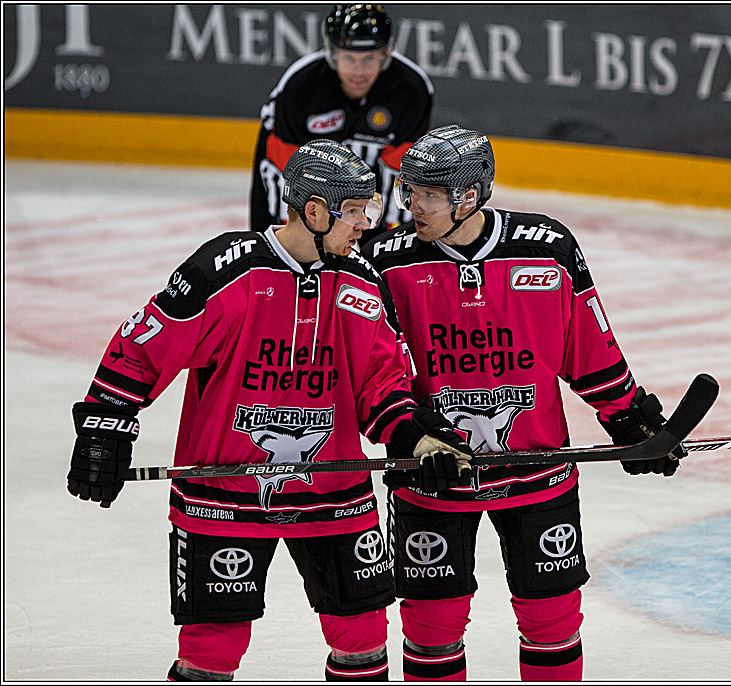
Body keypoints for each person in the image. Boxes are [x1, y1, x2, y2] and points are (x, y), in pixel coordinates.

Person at [67, 140, 473, 681]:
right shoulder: (225, 270)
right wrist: (103, 430)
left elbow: (383, 384)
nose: (365, 224)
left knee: (363, 640)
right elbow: (143, 348)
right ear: (313, 212)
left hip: (334, 493)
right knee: (211, 650)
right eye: (353, 212)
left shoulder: (360, 282)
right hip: (224, 492)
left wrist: (419, 439)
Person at [363, 125, 686, 681]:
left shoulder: (547, 248)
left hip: (538, 471)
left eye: (428, 194)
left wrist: (629, 418)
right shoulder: (384, 262)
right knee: (432, 628)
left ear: (469, 195)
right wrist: (407, 434)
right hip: (435, 474)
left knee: (552, 621)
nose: (412, 204)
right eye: (408, 190)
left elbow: (588, 347)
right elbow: (374, 370)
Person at [250, 4, 433, 243]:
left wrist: (383, 245)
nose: (359, 71)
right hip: (299, 164)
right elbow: (284, 172)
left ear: (385, 54)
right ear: (333, 54)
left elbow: (400, 174)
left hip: (373, 168)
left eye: (369, 58)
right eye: (349, 58)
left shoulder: (411, 90)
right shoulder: (300, 87)